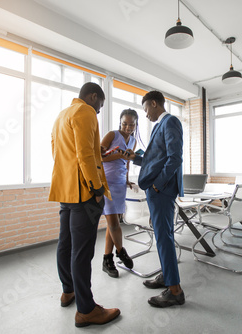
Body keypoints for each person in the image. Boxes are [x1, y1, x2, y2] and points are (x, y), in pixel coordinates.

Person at [49, 82, 120, 327]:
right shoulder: (85, 112)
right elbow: (86, 153)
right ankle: (86, 310)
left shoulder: (61, 116)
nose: (99, 111)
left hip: (65, 191)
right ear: (92, 97)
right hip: (84, 193)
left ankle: (68, 290)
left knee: (65, 244)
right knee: (82, 251)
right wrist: (97, 188)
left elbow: (56, 152)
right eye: (100, 105)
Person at [129, 90, 185, 308]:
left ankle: (175, 290)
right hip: (157, 190)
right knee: (163, 236)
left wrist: (156, 185)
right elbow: (155, 160)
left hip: (161, 190)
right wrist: (134, 158)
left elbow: (175, 159)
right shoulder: (159, 127)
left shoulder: (170, 122)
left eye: (145, 110)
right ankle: (166, 276)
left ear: (154, 103)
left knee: (164, 238)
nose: (145, 115)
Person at [100, 109, 141, 278]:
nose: (128, 127)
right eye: (125, 123)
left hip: (120, 184)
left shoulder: (133, 141)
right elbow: (99, 156)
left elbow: (128, 162)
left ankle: (107, 260)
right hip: (107, 183)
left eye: (131, 124)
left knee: (113, 225)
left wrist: (126, 179)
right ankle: (121, 251)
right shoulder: (112, 135)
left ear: (135, 125)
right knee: (114, 223)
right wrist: (116, 154)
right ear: (120, 122)